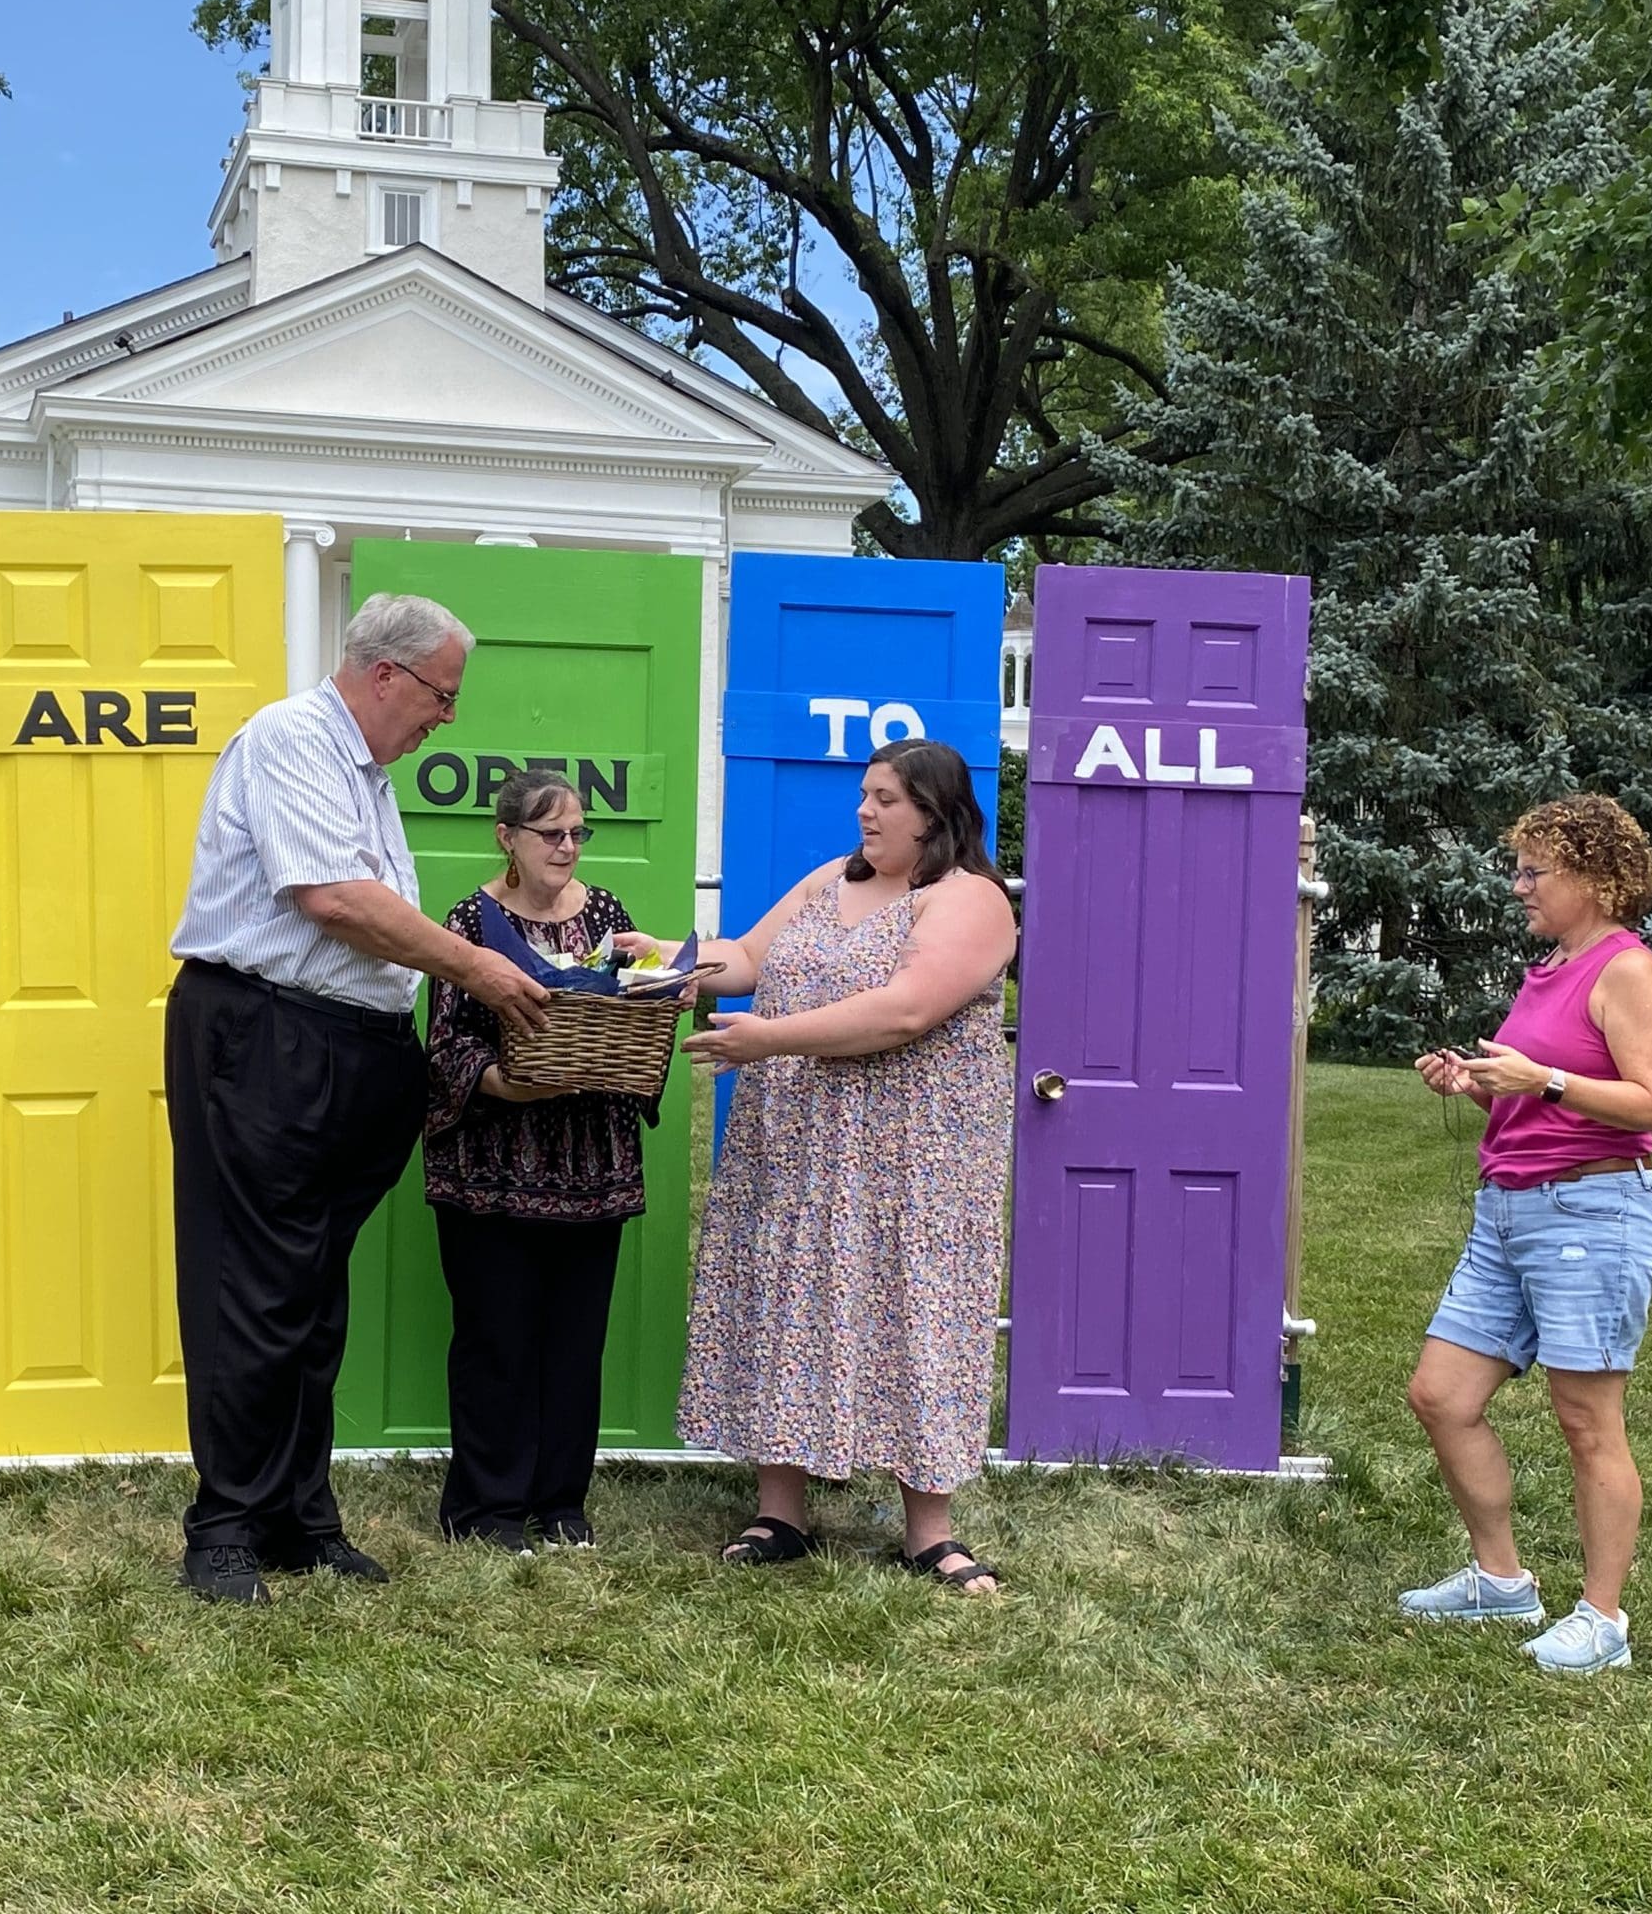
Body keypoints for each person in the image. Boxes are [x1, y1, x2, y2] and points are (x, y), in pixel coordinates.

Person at [164, 593, 551, 1606]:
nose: (446, 718)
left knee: (309, 1295)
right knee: (253, 1289)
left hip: (345, 1044)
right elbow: (331, 898)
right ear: (387, 675)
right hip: (268, 1035)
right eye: (441, 694)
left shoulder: (364, 773)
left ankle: (297, 1516)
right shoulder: (292, 738)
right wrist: (477, 967)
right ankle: (225, 1528)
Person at [620, 738, 1018, 1596]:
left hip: (909, 1163)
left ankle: (929, 1533)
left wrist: (767, 1039)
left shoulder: (970, 899)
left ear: (935, 813)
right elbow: (751, 959)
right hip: (796, 1147)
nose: (865, 812)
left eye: (885, 800)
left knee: (912, 1311)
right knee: (788, 1302)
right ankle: (780, 1514)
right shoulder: (830, 880)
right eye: (864, 795)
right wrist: (668, 961)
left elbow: (905, 1010)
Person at [1403, 792, 1652, 1674]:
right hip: (1511, 1210)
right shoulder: (1553, 965)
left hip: (1591, 1213)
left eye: (1535, 871)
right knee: (1442, 1396)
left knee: (1587, 1420)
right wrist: (1480, 1084)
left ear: (1596, 879)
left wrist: (1546, 1078)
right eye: (1518, 868)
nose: (1519, 885)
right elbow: (1531, 1088)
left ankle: (1603, 1622)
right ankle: (1500, 1581)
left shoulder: (1627, 969)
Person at [423, 770, 658, 1553]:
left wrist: (659, 988)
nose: (566, 847)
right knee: (496, 1339)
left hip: (594, 1168)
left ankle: (561, 1504)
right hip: (490, 1170)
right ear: (507, 838)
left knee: (573, 1343)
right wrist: (504, 1082)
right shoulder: (468, 918)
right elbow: (447, 1044)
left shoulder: (608, 916)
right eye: (549, 833)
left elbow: (635, 1012)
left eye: (577, 833)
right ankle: (486, 1509)